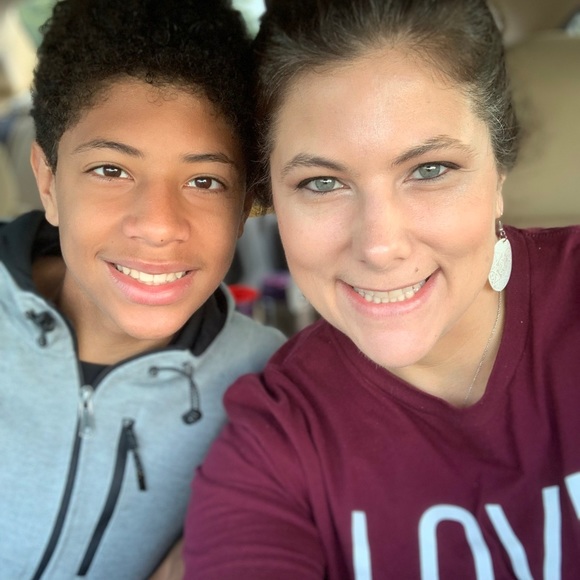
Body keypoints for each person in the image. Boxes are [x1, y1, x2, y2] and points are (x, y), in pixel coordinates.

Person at [183, 0, 580, 577]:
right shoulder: (276, 444)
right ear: (272, 198)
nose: (379, 245)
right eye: (322, 182)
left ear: (499, 170)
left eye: (430, 169)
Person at [0, 0, 285, 577]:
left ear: (245, 207)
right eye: (111, 170)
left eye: (205, 180)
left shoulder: (268, 385)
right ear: (48, 182)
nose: (157, 225)